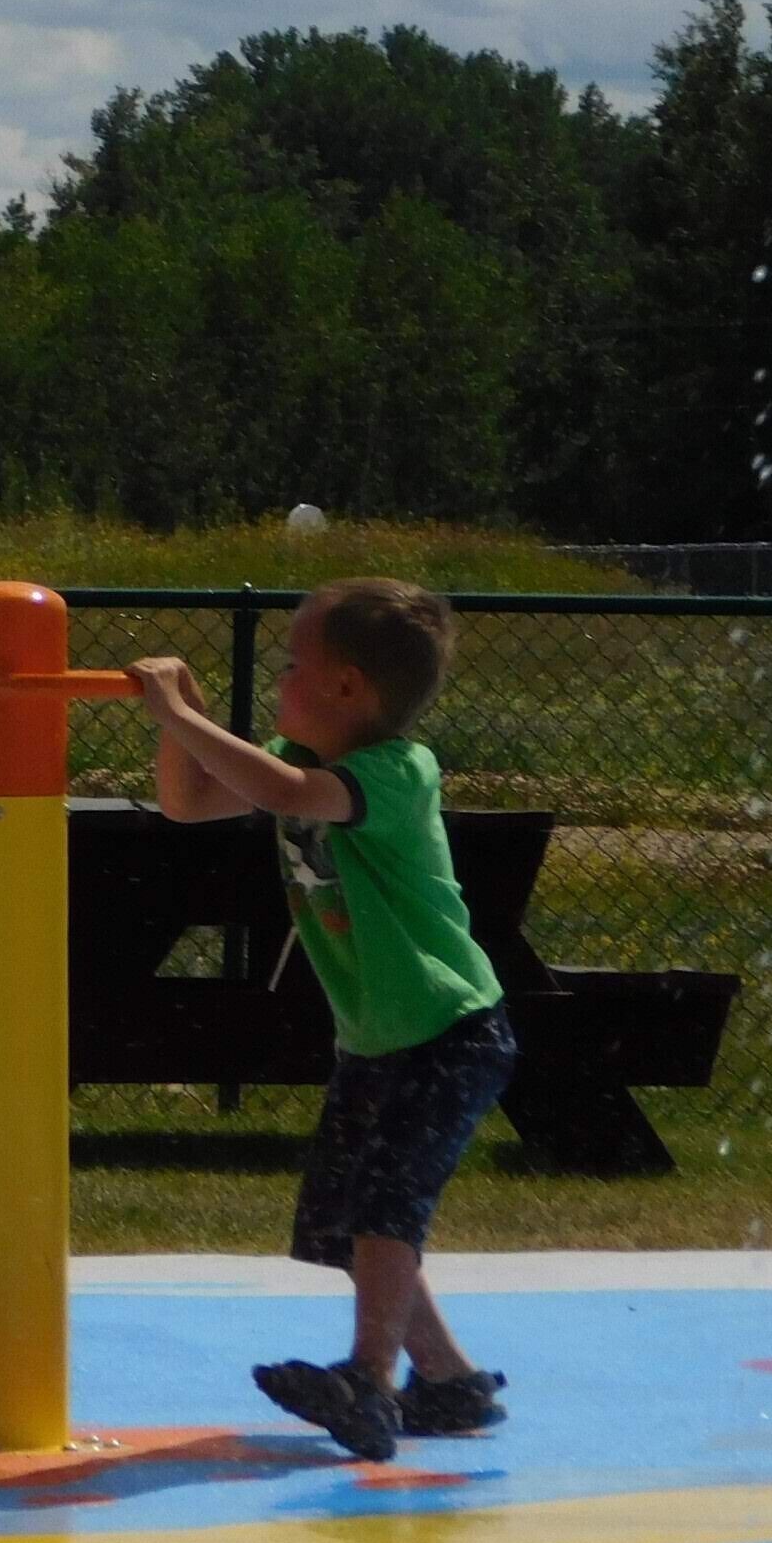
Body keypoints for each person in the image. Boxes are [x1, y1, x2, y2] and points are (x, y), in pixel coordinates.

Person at [126, 577, 515, 1464]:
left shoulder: (393, 771)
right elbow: (191, 802)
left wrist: (187, 719)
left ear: (347, 689)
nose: (281, 678)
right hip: (380, 1041)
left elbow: (293, 795)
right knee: (348, 1221)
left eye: (294, 663)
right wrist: (176, 715)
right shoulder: (290, 759)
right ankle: (449, 1382)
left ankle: (368, 1382)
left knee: (385, 1211)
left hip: (449, 1031)